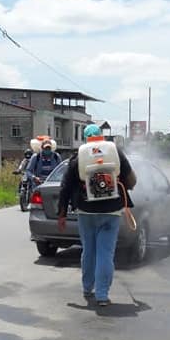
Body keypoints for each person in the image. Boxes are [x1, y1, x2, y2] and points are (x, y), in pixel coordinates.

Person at [58, 124, 137, 307]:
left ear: (86, 138)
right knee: (105, 254)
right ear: (101, 136)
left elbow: (65, 187)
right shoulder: (115, 152)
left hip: (86, 211)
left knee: (88, 251)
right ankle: (102, 295)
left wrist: (62, 214)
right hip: (111, 211)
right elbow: (131, 180)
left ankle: (87, 288)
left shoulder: (79, 157)